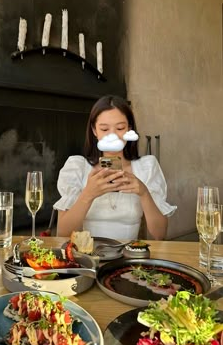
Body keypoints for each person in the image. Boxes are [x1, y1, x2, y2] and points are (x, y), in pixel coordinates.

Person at [54, 95, 177, 240]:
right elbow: (62, 234)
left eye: (120, 128)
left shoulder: (146, 167)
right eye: (104, 129)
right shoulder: (78, 167)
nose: (112, 136)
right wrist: (88, 194)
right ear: (94, 131)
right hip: (87, 259)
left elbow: (160, 234)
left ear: (129, 129)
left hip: (129, 257)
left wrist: (144, 193)